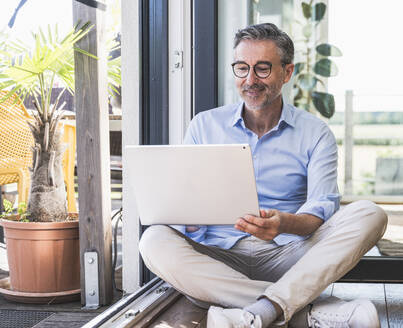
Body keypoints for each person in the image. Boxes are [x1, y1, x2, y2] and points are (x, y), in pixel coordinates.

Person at [139, 23, 387, 328]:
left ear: (287, 72)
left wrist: (283, 222)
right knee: (152, 240)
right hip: (219, 260)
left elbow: (319, 211)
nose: (250, 80)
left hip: (289, 256)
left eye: (262, 69)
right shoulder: (204, 125)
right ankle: (298, 309)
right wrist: (187, 214)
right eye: (241, 68)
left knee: (370, 214)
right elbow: (185, 202)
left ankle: (251, 310)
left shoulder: (315, 133)